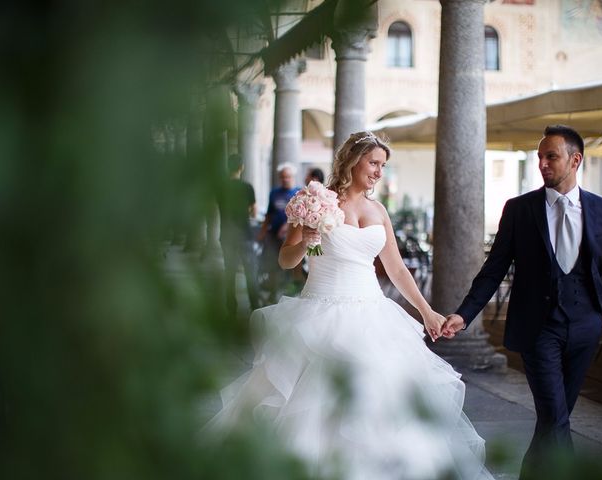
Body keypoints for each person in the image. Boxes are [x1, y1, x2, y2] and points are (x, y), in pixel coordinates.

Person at [207, 132, 494, 479]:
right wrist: (305, 242)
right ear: (352, 160)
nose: (378, 172)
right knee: (316, 403)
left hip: (373, 314)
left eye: (383, 166)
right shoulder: (314, 200)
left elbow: (397, 268)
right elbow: (286, 260)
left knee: (380, 401)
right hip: (319, 312)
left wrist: (426, 311)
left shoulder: (378, 210)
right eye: (373, 163)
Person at [442, 125, 602, 479]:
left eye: (550, 157)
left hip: (586, 327)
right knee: (555, 416)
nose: (542, 164)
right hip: (539, 328)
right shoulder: (520, 209)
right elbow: (493, 270)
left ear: (575, 160)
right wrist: (465, 315)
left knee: (553, 420)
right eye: (539, 157)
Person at [217, 154, 260, 319]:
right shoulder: (247, 187)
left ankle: (231, 307)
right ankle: (255, 306)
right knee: (250, 272)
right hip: (244, 234)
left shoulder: (221, 187)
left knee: (230, 272)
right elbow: (254, 211)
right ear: (242, 167)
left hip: (227, 234)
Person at [257, 163, 300, 302]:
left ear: (293, 177)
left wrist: (286, 227)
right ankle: (273, 291)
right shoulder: (274, 193)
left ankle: (287, 292)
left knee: (288, 266)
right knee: (272, 264)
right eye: (282, 177)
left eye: (287, 177)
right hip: (273, 236)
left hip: (290, 237)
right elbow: (269, 214)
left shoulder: (299, 193)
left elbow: (300, 217)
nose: (285, 179)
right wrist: (263, 231)